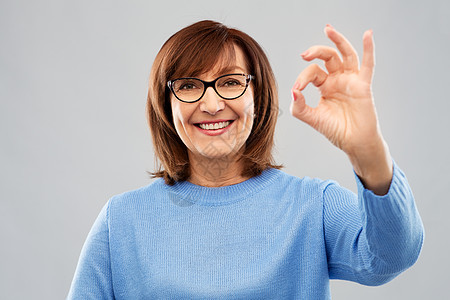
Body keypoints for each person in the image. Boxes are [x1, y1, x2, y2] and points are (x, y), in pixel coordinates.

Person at [67, 20, 424, 299]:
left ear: (259, 96)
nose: (211, 104)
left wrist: (368, 149)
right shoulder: (122, 221)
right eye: (189, 85)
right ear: (166, 105)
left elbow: (394, 255)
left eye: (230, 81)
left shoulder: (312, 206)